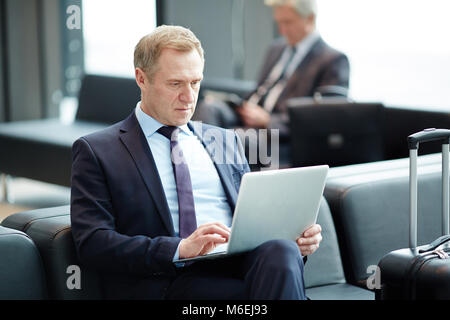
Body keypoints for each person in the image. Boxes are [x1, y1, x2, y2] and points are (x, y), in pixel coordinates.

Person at [70, 25, 322, 300]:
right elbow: (93, 243)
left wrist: (293, 239)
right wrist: (180, 248)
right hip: (170, 279)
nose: (189, 97)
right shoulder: (98, 150)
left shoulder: (225, 140)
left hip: (240, 265)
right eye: (176, 84)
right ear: (141, 78)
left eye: (195, 82)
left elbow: (251, 221)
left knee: (282, 251)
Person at [194, 0, 350, 141]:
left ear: (310, 19)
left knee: (227, 141)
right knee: (208, 109)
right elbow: (261, 88)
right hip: (249, 113)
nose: (282, 30)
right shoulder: (276, 49)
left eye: (288, 22)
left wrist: (268, 120)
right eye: (279, 23)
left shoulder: (332, 60)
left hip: (276, 130)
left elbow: (323, 117)